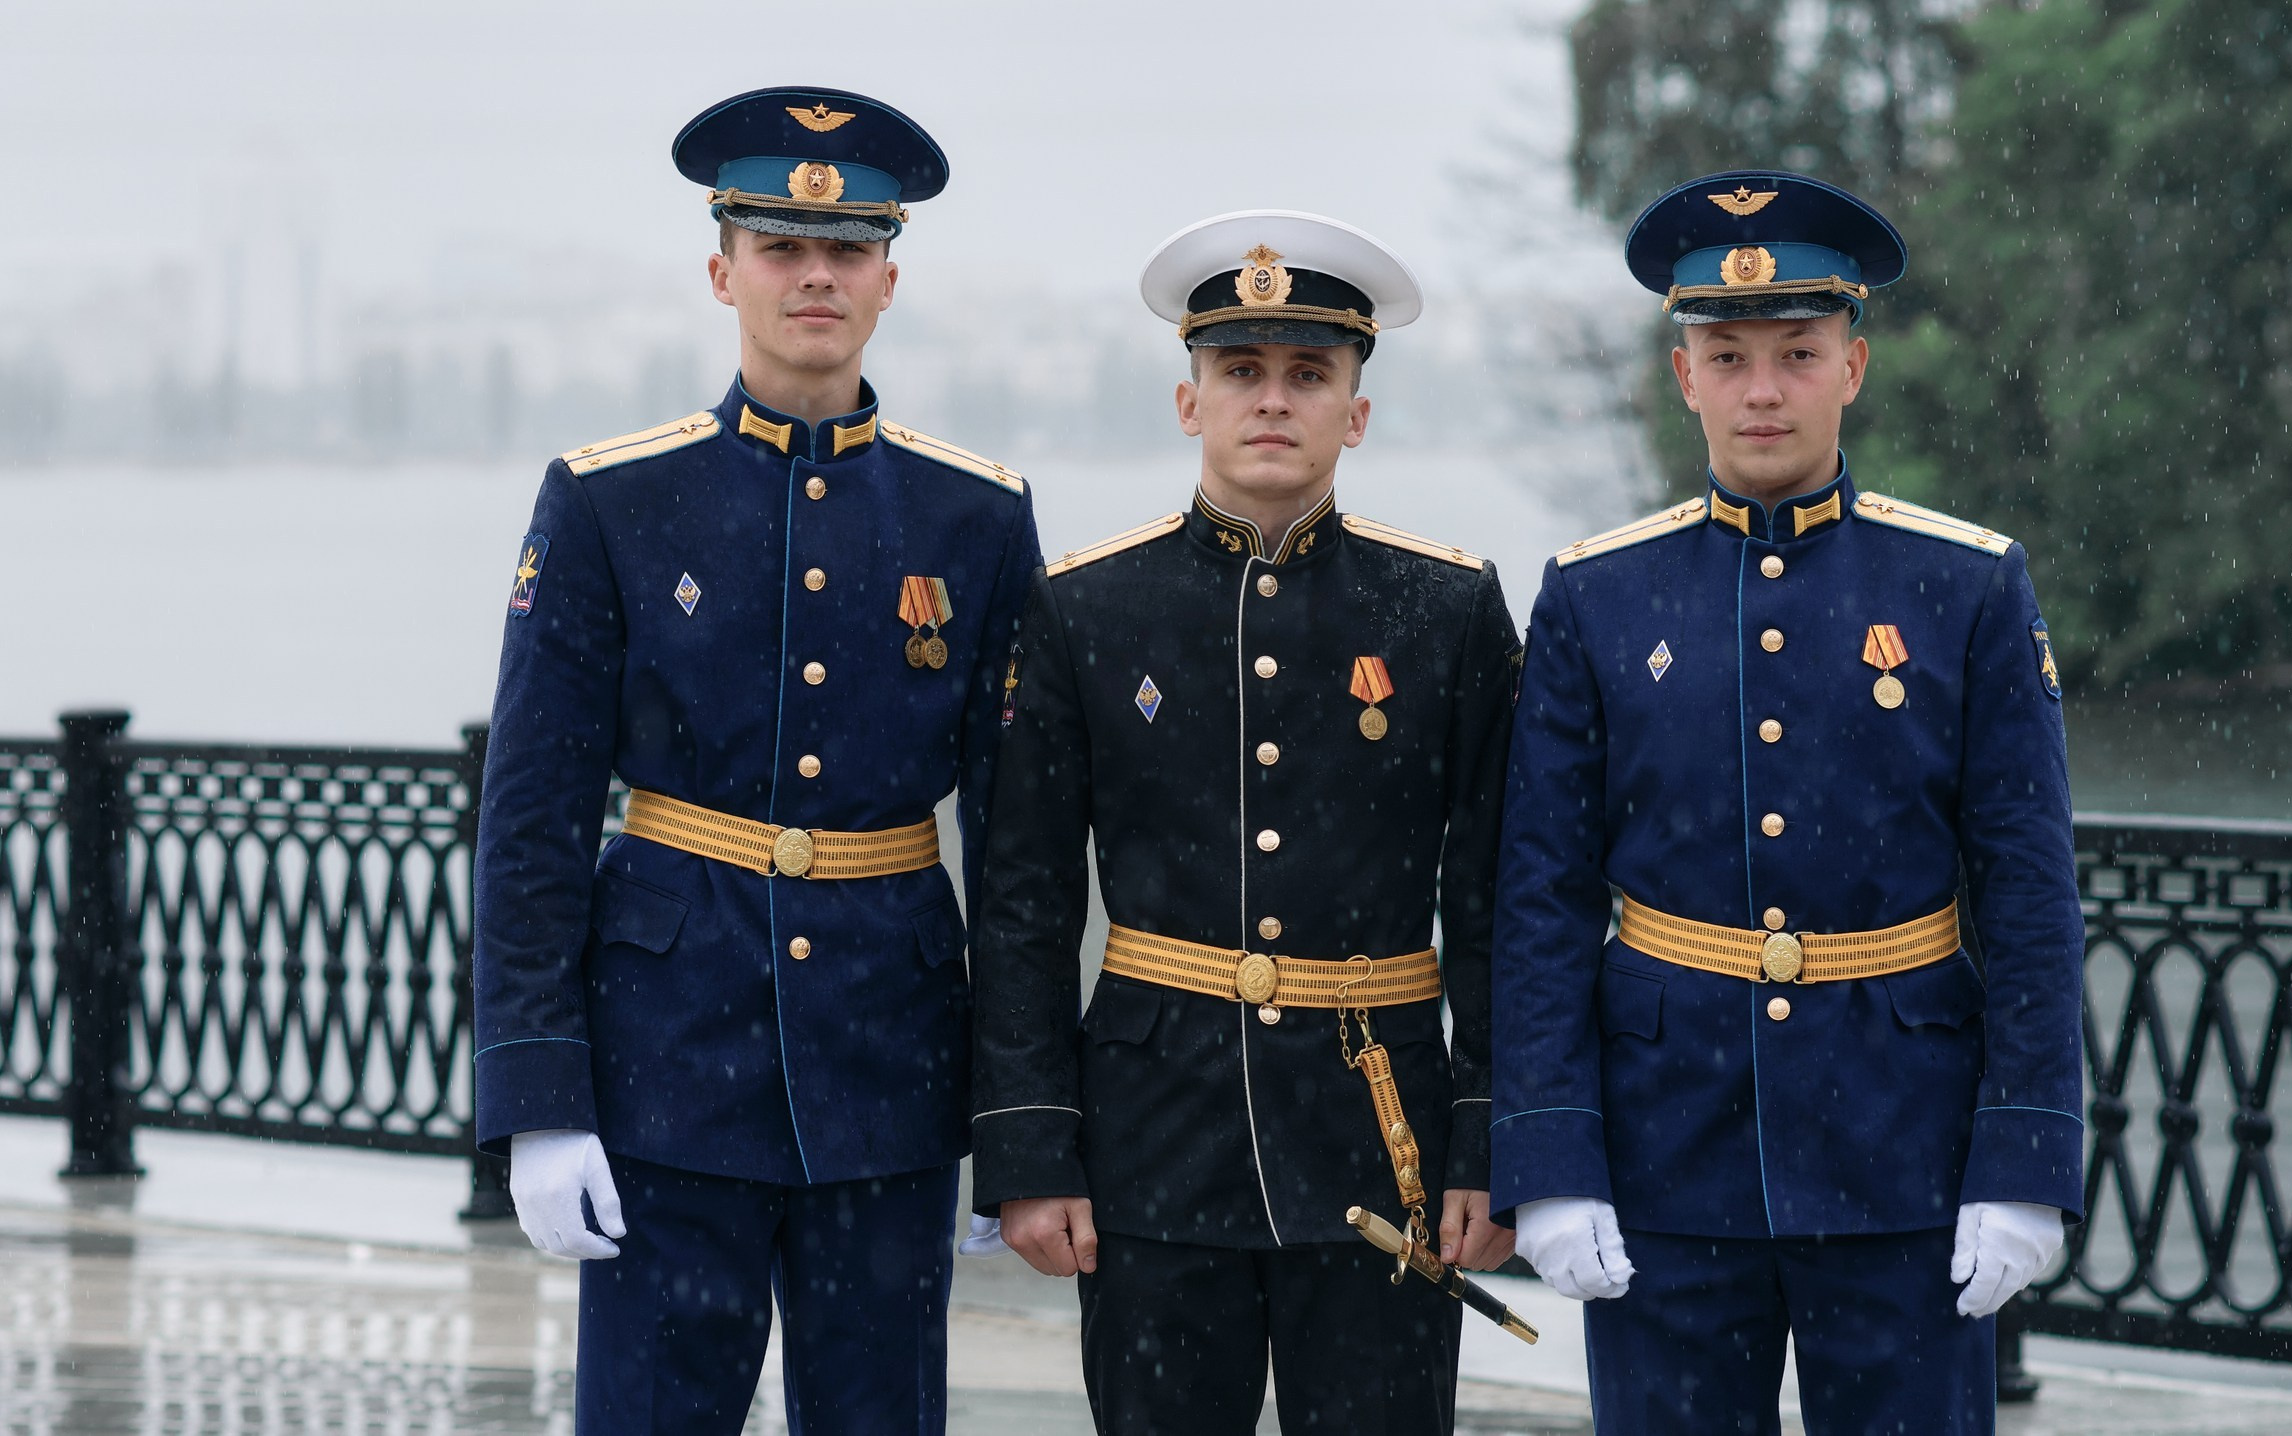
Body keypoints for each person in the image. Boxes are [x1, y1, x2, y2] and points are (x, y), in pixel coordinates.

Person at [470, 86, 1039, 1433]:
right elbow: (534, 817)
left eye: (846, 252)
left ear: (891, 278)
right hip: (666, 1063)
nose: (815, 275)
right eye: (781, 246)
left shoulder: (975, 515)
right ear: (721, 268)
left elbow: (1019, 856)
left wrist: (1018, 1124)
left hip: (888, 1069)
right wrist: (537, 1097)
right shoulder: (613, 498)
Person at [1490, 170, 2085, 1433]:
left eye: (1798, 353)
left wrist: (2025, 1157)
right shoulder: (1596, 595)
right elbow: (1539, 894)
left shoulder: (1963, 586)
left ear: (1852, 367)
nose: (1764, 387)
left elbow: (2029, 891)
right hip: (1663, 1152)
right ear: (1683, 374)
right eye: (1729, 353)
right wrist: (1548, 1155)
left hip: (1904, 1148)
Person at [968, 210, 1520, 1435]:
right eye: (1241, 372)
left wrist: (1492, 1136)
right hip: (1154, 1139)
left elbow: (1494, 898)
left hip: (1383, 1145)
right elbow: (1024, 899)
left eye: (1308, 375)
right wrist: (1030, 1149)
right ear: (1188, 401)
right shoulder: (1088, 609)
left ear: (1356, 414)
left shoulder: (1446, 610)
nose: (1273, 400)